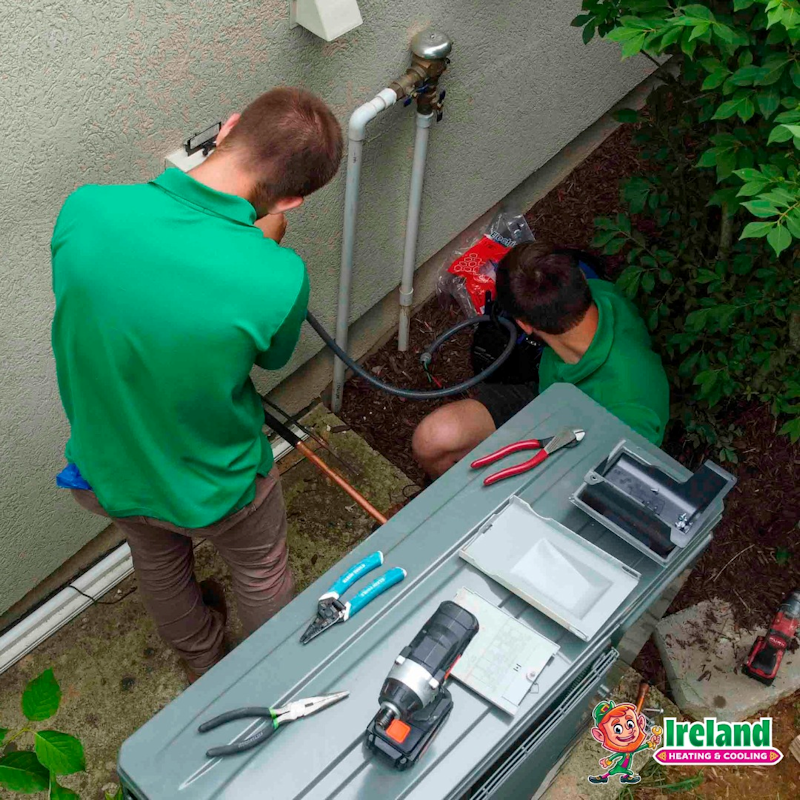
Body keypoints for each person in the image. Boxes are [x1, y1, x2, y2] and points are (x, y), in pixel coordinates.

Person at [51, 87, 343, 681]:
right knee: (261, 568)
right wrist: (265, 244)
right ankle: (266, 678)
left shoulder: (86, 209)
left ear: (229, 126)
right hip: (219, 484)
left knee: (157, 563)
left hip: (113, 469)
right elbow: (272, 355)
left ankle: (203, 666)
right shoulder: (277, 274)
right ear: (292, 199)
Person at [412, 242, 669, 478]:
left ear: (523, 325)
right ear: (580, 278)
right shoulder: (598, 294)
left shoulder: (632, 406)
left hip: (586, 441)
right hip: (547, 394)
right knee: (432, 439)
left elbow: (615, 479)